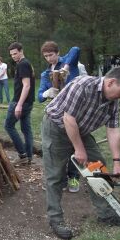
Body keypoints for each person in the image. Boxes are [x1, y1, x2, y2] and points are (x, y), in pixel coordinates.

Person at [42, 65, 120, 240]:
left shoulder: (113, 102)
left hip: (81, 130)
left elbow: (114, 130)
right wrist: (79, 149)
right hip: (57, 128)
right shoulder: (83, 85)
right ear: (111, 82)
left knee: (98, 167)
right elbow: (68, 118)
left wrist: (117, 162)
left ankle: (105, 213)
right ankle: (55, 219)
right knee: (55, 175)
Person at [37, 41, 81, 193]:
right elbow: (39, 97)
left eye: (51, 55)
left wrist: (66, 68)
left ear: (58, 53)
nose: (49, 58)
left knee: (74, 145)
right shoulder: (45, 74)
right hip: (57, 115)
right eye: (46, 56)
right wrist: (46, 93)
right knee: (58, 148)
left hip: (74, 111)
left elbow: (75, 48)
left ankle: (74, 177)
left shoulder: (68, 63)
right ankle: (60, 178)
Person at [5, 42, 36, 165]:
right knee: (26, 129)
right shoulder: (27, 63)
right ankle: (28, 156)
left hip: (20, 102)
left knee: (8, 126)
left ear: (21, 51)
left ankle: (22, 155)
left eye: (15, 53)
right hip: (28, 102)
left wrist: (19, 104)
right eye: (11, 54)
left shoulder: (23, 64)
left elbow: (26, 85)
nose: (13, 56)